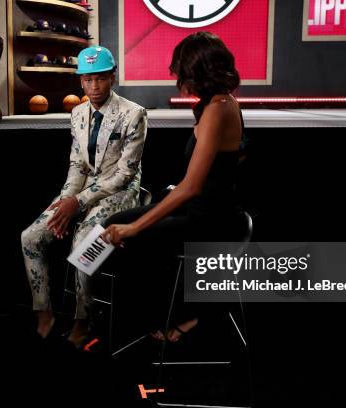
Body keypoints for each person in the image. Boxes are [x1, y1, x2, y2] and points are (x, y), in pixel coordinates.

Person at [101, 32, 246, 342]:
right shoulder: (218, 103)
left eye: (183, 74)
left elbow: (193, 187)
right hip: (201, 208)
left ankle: (188, 315)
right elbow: (205, 178)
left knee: (124, 234)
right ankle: (134, 312)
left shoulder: (219, 108)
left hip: (210, 220)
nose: (180, 81)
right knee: (111, 226)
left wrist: (136, 228)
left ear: (201, 73)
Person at [20, 45, 148, 346]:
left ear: (112, 77)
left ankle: (83, 318)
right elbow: (77, 166)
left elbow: (124, 175)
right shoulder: (77, 113)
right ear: (80, 81)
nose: (94, 86)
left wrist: (76, 203)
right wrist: (65, 203)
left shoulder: (134, 114)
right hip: (81, 192)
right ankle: (44, 311)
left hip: (120, 193)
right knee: (30, 237)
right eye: (88, 79)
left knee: (84, 244)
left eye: (100, 79)